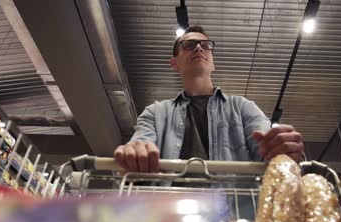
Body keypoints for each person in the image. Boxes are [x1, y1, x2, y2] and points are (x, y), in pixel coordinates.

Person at [114, 25, 303, 174]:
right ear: (174, 63)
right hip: (168, 216)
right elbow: (141, 141)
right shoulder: (154, 113)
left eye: (205, 45)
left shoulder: (243, 108)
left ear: (213, 63)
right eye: (189, 45)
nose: (198, 47)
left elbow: (268, 155)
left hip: (234, 215)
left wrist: (281, 150)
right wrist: (135, 150)